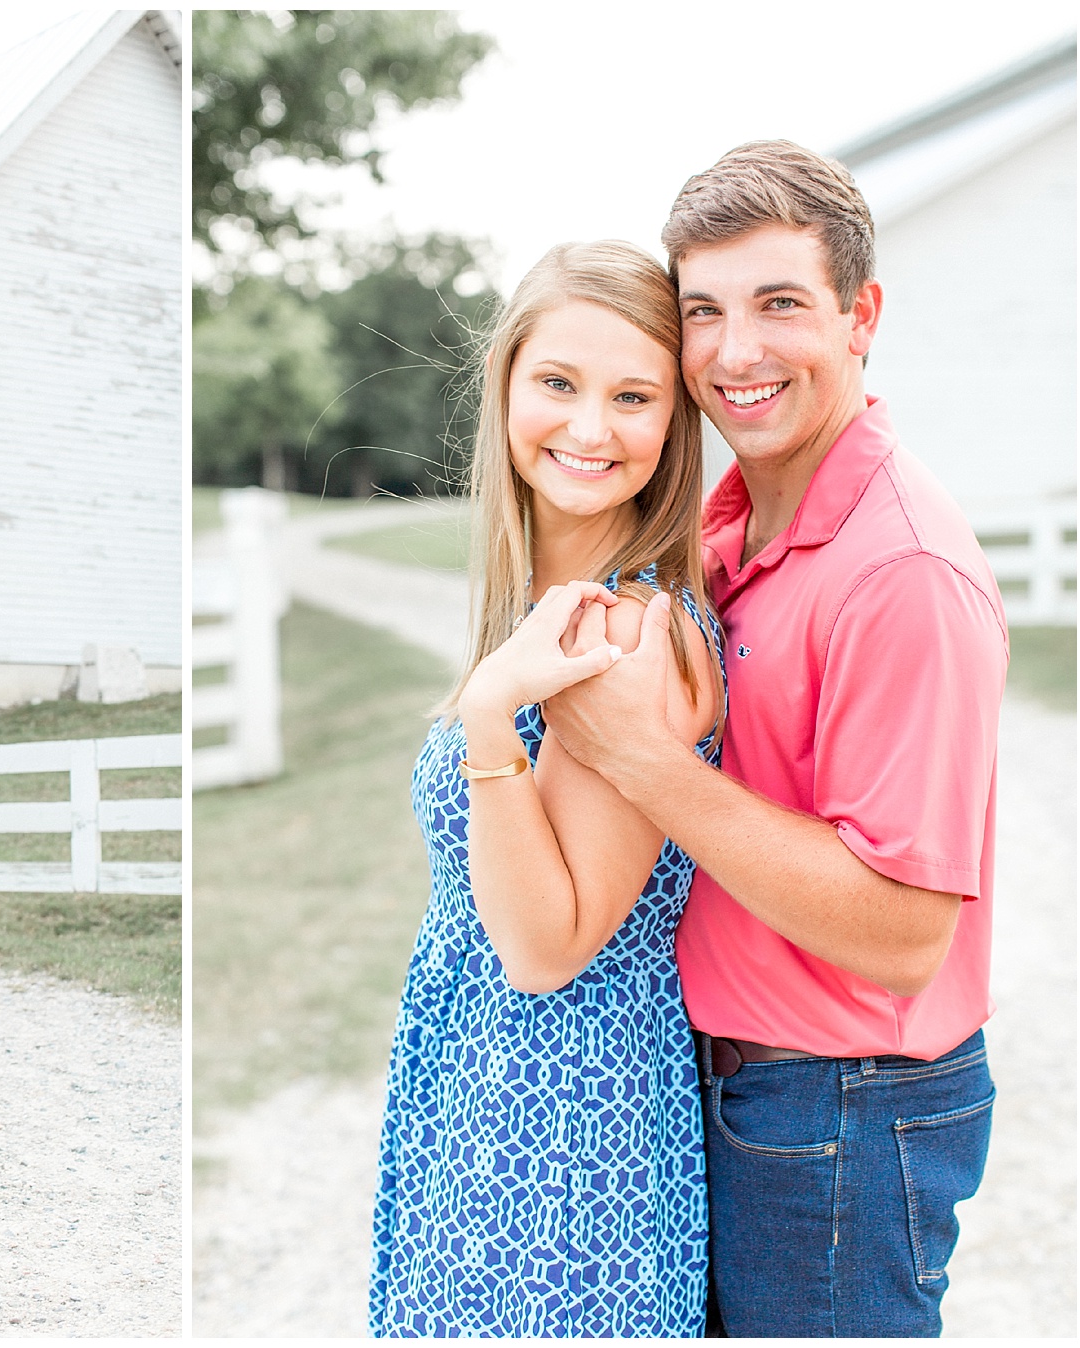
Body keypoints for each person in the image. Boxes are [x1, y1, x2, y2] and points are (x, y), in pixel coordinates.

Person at [543, 142, 1006, 1337]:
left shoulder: (902, 572)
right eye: (706, 312)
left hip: (842, 1108)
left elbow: (905, 934)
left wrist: (644, 761)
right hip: (750, 1086)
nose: (736, 352)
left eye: (780, 304)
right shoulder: (736, 518)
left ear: (862, 317)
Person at [371, 240, 726, 1337]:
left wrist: (487, 716)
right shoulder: (547, 603)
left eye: (633, 396)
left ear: (673, 423)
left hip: (565, 1134)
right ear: (508, 385)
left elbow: (547, 946)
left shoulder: (623, 632)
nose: (588, 427)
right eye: (560, 384)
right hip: (476, 1096)